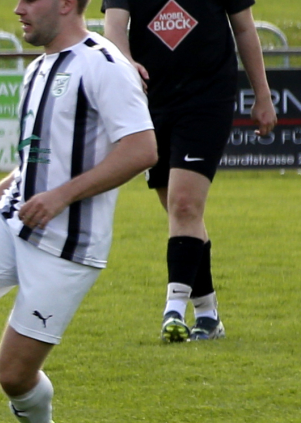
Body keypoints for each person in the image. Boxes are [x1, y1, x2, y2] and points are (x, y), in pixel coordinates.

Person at [0, 0, 158, 421]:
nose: (18, 9)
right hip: (12, 219)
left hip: (67, 244)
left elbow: (142, 149)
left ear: (66, 3)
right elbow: (35, 161)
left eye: (30, 0)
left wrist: (61, 196)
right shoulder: (38, 68)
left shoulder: (105, 65)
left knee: (14, 377)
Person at [102, 0, 277, 343]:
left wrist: (263, 95)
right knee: (182, 213)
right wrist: (126, 63)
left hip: (207, 99)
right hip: (151, 100)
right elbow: (114, 28)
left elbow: (244, 28)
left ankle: (173, 311)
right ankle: (208, 315)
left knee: (184, 205)